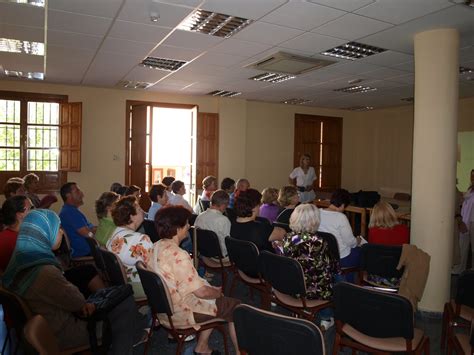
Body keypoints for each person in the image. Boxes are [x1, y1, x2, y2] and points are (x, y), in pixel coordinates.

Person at [2, 210, 139, 353]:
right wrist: (87, 304)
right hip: (66, 333)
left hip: (48, 326)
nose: (62, 232)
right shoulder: (45, 272)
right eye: (58, 228)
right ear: (44, 233)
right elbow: (78, 303)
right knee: (125, 302)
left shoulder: (20, 261)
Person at [152, 206, 240, 354]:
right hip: (182, 312)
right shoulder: (178, 255)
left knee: (217, 299)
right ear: (177, 227)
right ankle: (239, 352)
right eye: (186, 223)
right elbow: (202, 293)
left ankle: (202, 347)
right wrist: (217, 293)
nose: (188, 226)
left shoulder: (155, 246)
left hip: (163, 310)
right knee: (236, 307)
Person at [280, 204, 340, 330]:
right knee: (337, 278)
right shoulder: (319, 241)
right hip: (314, 289)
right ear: (314, 220)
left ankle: (305, 310)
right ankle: (326, 317)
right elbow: (331, 266)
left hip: (295, 285)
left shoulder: (288, 238)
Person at [107, 196, 153, 300]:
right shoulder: (141, 239)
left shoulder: (115, 233)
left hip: (119, 284)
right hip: (138, 286)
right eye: (139, 209)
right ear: (131, 216)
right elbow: (154, 269)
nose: (142, 211)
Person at [318, 189, 362, 271]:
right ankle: (349, 281)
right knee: (362, 251)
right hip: (341, 257)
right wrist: (357, 241)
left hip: (323, 255)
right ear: (342, 205)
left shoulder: (317, 213)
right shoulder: (341, 217)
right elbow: (350, 242)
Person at [230, 189, 285, 253]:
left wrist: (272, 241)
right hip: (264, 262)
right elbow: (283, 234)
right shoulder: (260, 228)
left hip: (241, 261)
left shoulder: (232, 224)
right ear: (254, 207)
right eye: (259, 204)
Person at [59, 182, 96, 257]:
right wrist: (99, 238)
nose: (82, 194)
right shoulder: (70, 213)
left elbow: (90, 229)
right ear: (68, 195)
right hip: (85, 251)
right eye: (77, 191)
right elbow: (88, 234)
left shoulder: (70, 211)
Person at [194, 190, 231, 258]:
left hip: (203, 254)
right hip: (219, 257)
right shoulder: (224, 220)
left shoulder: (199, 216)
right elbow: (227, 244)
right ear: (223, 205)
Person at [0, 196, 32, 271]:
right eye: (30, 208)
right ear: (19, 214)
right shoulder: (8, 240)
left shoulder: (26, 233)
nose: (34, 211)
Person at [460, 169, 474, 273]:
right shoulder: (470, 190)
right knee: (463, 248)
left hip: (472, 222)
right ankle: (461, 269)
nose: (472, 177)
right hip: (466, 221)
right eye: (471, 175)